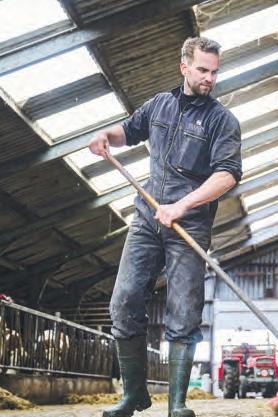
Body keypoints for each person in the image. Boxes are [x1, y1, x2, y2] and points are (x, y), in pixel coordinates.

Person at [89, 37, 242, 417]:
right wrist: (106, 136)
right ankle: (133, 396)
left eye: (215, 72)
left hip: (189, 226)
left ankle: (177, 404)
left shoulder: (222, 120)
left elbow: (227, 174)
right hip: (147, 219)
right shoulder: (159, 104)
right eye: (203, 70)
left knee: (183, 311)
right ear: (184, 67)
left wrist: (182, 206)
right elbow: (129, 131)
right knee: (123, 302)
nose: (209, 78)